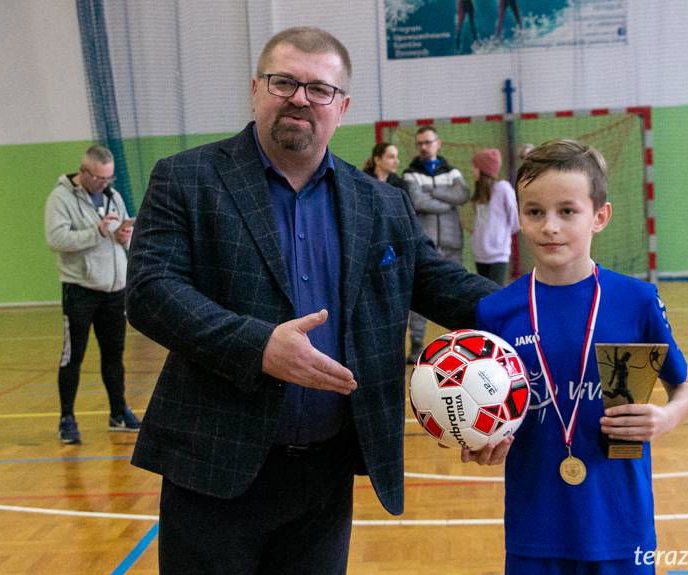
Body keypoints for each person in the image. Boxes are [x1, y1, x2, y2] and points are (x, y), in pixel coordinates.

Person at [125, 26, 499, 574]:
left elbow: (441, 284)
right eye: (284, 82)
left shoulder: (380, 203)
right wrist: (259, 347)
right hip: (213, 466)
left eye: (319, 89)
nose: (300, 97)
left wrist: (545, 307)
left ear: (341, 106)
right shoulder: (187, 179)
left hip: (325, 476)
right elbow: (151, 292)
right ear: (256, 90)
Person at [473, 140, 688, 574]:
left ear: (600, 216)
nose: (550, 227)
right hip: (535, 530)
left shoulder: (636, 301)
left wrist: (667, 417)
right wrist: (481, 441)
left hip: (621, 525)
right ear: (519, 216)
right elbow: (489, 412)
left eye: (567, 211)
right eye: (534, 212)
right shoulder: (497, 312)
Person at [44, 145, 141, 445]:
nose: (105, 184)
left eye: (109, 178)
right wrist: (96, 233)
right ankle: (67, 419)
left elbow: (123, 234)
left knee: (114, 356)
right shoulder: (60, 198)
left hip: (114, 290)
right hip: (80, 290)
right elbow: (56, 238)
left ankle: (117, 412)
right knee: (73, 357)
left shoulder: (113, 196)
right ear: (84, 172)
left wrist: (124, 237)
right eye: (99, 178)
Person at [403, 125, 470, 362]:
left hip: (452, 242)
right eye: (420, 143)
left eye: (428, 142)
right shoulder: (411, 173)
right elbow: (417, 201)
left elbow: (463, 195)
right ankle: (417, 345)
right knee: (420, 297)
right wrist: (445, 199)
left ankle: (461, 346)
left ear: (438, 143)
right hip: (425, 245)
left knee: (458, 293)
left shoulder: (452, 172)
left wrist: (431, 193)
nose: (424, 147)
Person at [470, 148, 519, 286]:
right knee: (484, 290)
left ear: (483, 170)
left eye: (475, 167)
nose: (472, 171)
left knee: (495, 290)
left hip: (498, 253)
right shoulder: (480, 193)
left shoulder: (503, 188)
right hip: (480, 253)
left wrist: (502, 236)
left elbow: (516, 218)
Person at [510, 142, 535, 279]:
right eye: (525, 157)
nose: (528, 159)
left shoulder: (545, 174)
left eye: (530, 155)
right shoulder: (521, 177)